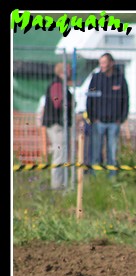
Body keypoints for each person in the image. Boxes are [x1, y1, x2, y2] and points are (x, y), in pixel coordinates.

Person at [86, 52, 129, 176]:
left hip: (114, 123)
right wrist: (92, 118)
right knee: (96, 152)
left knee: (112, 153)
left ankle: (112, 179)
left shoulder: (120, 79)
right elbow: (90, 98)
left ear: (111, 63)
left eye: (104, 63)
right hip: (98, 122)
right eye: (101, 63)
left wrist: (121, 118)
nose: (102, 65)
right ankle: (95, 178)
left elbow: (125, 99)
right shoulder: (96, 78)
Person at [41, 62, 74, 190]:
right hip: (57, 125)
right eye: (69, 70)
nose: (71, 72)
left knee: (62, 154)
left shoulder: (61, 85)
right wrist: (69, 103)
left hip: (59, 124)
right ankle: (57, 187)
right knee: (59, 154)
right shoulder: (57, 85)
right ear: (63, 72)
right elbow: (57, 103)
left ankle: (61, 184)